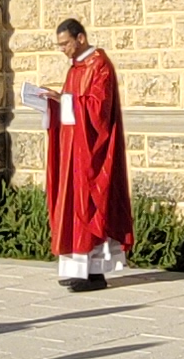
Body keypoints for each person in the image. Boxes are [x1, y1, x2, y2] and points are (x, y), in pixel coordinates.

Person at [45, 17, 132, 287]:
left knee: (90, 206)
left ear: (80, 38)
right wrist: (51, 103)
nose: (63, 49)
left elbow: (99, 109)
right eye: (60, 45)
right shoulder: (75, 69)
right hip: (74, 150)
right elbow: (71, 105)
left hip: (93, 152)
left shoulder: (99, 65)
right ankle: (78, 270)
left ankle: (95, 273)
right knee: (73, 206)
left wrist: (65, 101)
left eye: (65, 44)